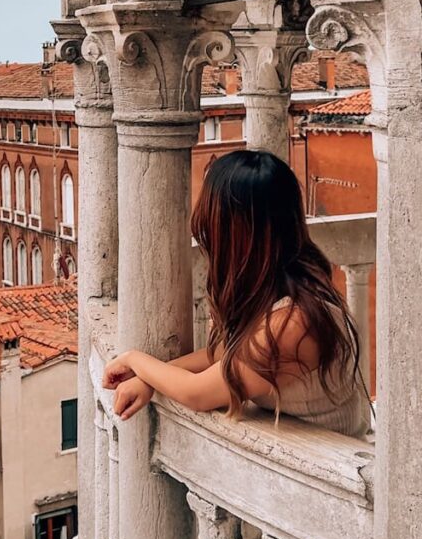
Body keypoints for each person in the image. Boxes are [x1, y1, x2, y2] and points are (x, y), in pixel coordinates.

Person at [102, 149, 371, 438]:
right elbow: (221, 355)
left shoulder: (294, 322)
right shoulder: (279, 293)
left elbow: (198, 394)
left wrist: (133, 360)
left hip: (327, 474)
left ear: (235, 232)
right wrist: (150, 377)